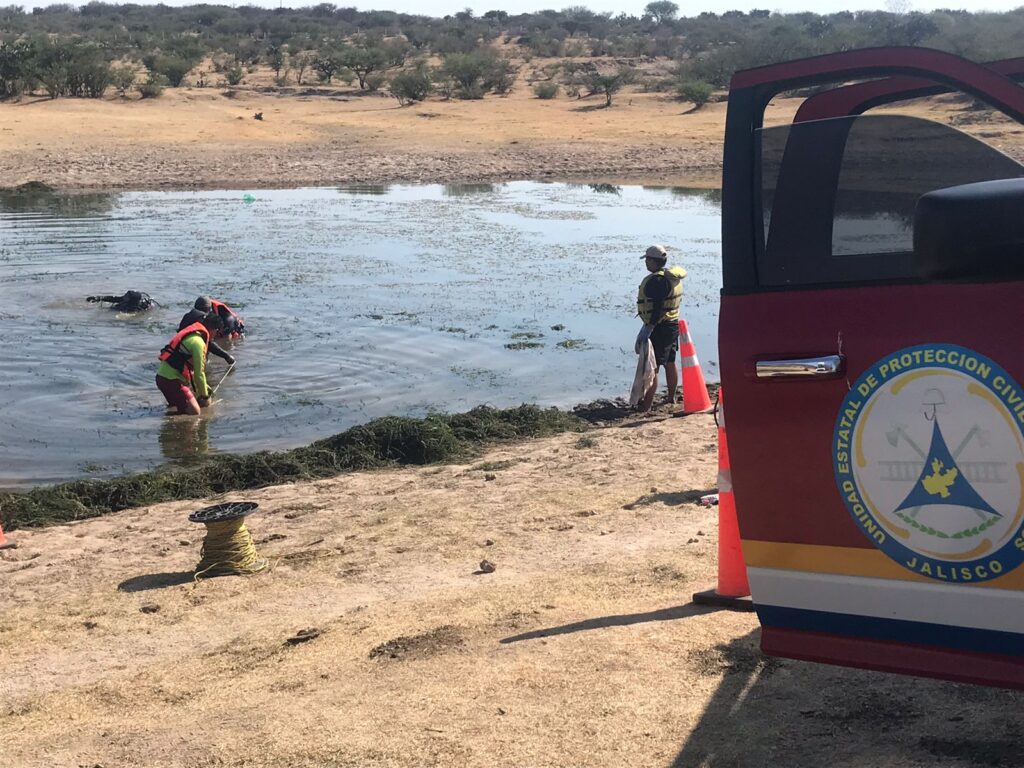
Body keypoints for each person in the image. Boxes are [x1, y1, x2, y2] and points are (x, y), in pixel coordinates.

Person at [635, 244, 687, 411]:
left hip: (659, 327)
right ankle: (671, 397)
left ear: (652, 261)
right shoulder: (671, 277)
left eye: (647, 260)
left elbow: (657, 307)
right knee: (670, 361)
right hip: (672, 325)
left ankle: (647, 405)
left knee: (653, 366)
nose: (646, 263)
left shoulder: (656, 281)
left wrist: (649, 327)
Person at [156, 312, 223, 415]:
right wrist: (205, 396)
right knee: (195, 412)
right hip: (172, 381)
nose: (215, 336)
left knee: (177, 409)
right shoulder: (198, 343)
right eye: (217, 332)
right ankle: (176, 427)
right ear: (214, 329)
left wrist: (206, 387)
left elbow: (192, 372)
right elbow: (199, 374)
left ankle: (170, 424)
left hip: (162, 379)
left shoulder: (192, 336)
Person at [178, 296, 240, 366]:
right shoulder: (203, 319)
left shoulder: (187, 316)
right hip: (189, 356)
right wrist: (226, 356)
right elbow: (210, 343)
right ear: (209, 310)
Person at [86, 290, 155, 313]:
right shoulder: (125, 299)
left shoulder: (141, 307)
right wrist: (99, 298)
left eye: (126, 299)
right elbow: (114, 299)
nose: (124, 299)